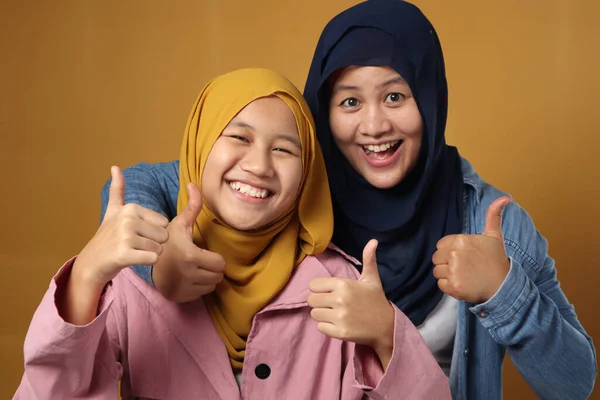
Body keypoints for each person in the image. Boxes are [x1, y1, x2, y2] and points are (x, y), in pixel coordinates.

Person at [94, 2, 597, 399]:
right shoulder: (291, 189)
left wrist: (502, 292)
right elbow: (147, 183)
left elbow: (574, 386)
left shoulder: (492, 225)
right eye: (350, 101)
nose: (375, 125)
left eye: (396, 96)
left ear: (430, 97)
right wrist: (157, 259)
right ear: (323, 109)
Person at [14, 68, 450, 399]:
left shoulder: (342, 286)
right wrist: (88, 273)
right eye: (238, 137)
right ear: (200, 144)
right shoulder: (135, 283)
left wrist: (389, 338)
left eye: (284, 149)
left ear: (308, 175)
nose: (259, 165)